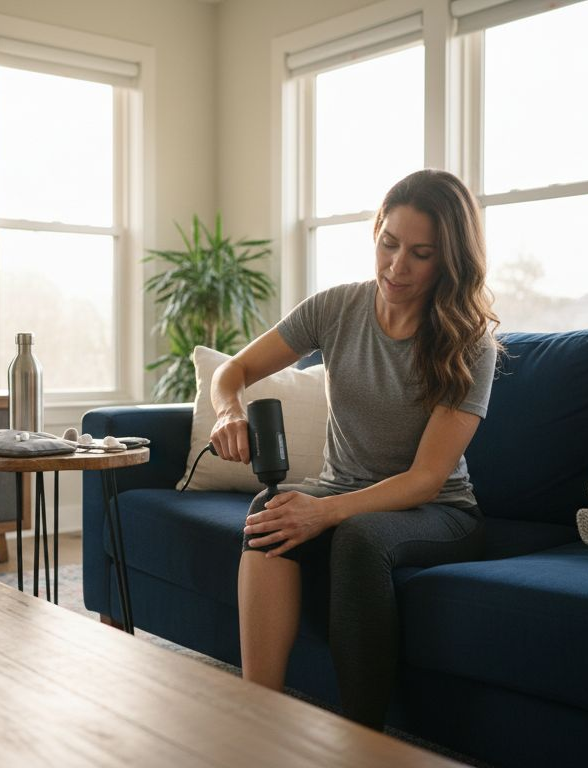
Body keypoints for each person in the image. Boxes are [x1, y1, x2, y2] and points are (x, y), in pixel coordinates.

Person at [208, 169, 500, 730]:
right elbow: (233, 369)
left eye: (421, 254)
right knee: (267, 514)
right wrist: (229, 411)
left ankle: (362, 743)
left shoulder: (469, 344)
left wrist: (323, 512)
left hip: (438, 512)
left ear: (450, 261)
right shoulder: (337, 309)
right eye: (389, 244)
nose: (397, 266)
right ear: (376, 233)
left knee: (360, 537)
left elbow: (426, 479)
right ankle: (257, 714)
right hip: (342, 493)